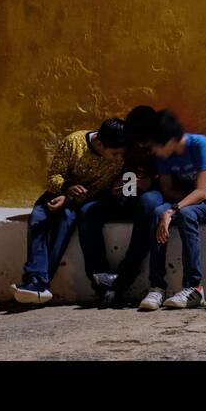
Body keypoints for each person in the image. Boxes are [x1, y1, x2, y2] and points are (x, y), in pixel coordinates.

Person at [12, 118, 127, 304]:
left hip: (87, 200)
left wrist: (115, 189)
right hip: (60, 191)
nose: (119, 159)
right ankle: (36, 281)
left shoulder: (119, 158)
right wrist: (66, 189)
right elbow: (52, 176)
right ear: (99, 143)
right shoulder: (73, 143)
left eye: (122, 154)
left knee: (65, 221)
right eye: (115, 154)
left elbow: (107, 187)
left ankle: (39, 283)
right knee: (38, 219)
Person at [132, 110, 206, 311]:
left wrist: (175, 210)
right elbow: (168, 190)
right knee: (158, 212)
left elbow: (202, 190)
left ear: (168, 141)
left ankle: (194, 287)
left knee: (185, 215)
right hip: (187, 197)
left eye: (155, 146)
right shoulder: (165, 157)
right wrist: (169, 210)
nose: (153, 152)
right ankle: (157, 287)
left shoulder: (201, 145)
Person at [77, 105, 159, 298]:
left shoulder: (164, 143)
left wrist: (153, 182)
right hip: (127, 192)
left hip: (155, 194)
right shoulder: (124, 142)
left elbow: (174, 178)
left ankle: (126, 274)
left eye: (143, 141)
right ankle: (99, 275)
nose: (139, 145)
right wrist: (116, 186)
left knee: (148, 204)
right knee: (89, 211)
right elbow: (118, 169)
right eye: (136, 141)